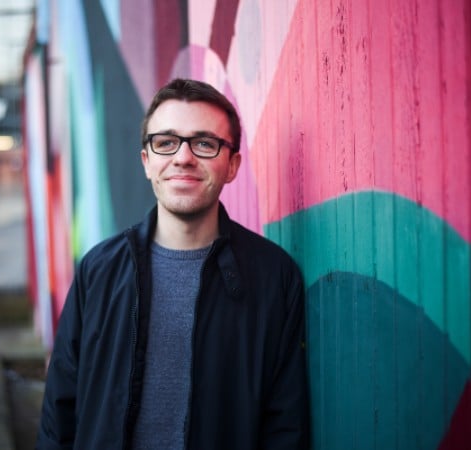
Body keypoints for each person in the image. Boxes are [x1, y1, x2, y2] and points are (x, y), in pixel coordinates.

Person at [36, 78, 309, 450]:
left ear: (232, 165)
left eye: (204, 143)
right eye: (166, 143)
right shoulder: (98, 271)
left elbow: (285, 425)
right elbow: (59, 413)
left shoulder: (273, 277)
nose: (183, 157)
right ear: (147, 162)